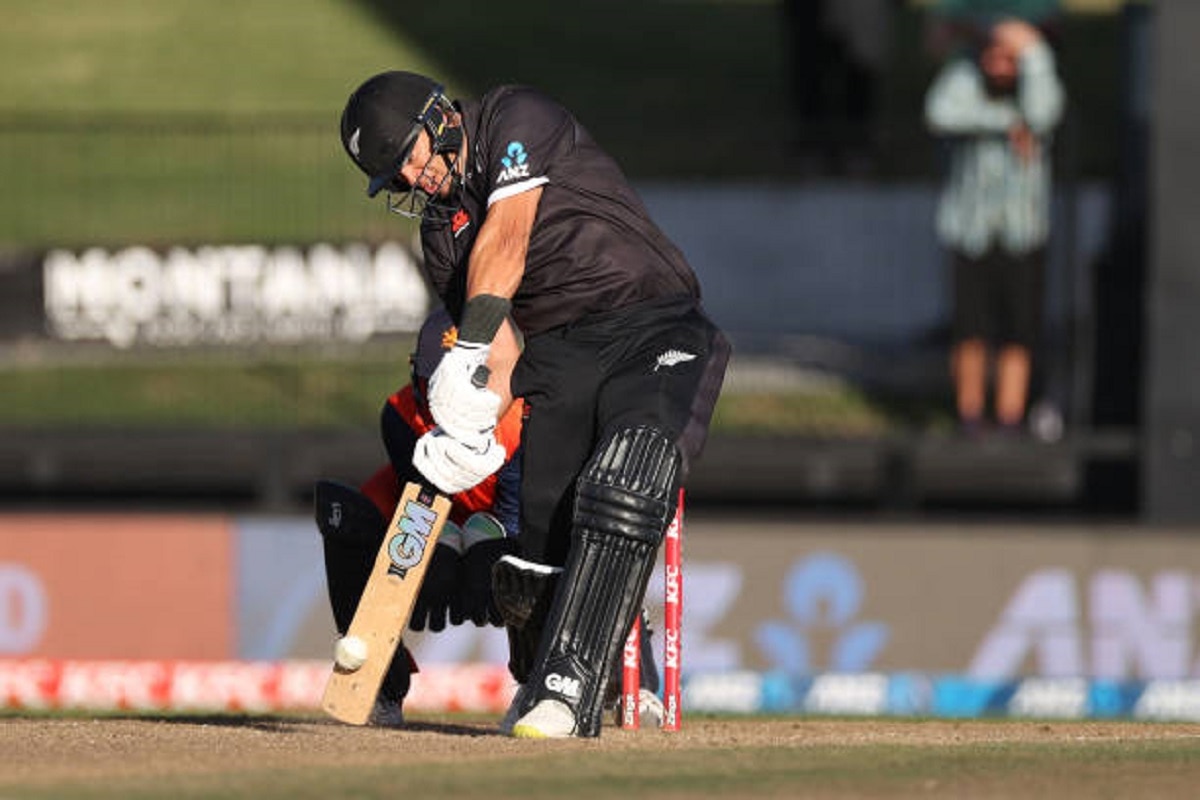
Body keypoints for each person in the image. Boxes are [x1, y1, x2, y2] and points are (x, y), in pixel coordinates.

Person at [339, 71, 729, 738]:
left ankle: (568, 686)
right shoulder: (440, 236)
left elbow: (509, 240)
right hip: (559, 356)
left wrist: (466, 357)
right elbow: (497, 353)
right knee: (534, 555)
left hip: (652, 323)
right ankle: (571, 684)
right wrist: (471, 429)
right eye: (394, 176)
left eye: (410, 154)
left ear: (438, 115)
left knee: (624, 482)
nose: (412, 178)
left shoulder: (516, 117)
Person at [314, 307, 665, 728]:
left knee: (570, 530)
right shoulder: (401, 414)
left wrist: (490, 548)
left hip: (515, 523)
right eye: (434, 381)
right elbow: (422, 497)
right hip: (441, 516)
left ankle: (601, 674)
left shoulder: (527, 416)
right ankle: (379, 684)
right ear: (416, 376)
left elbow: (522, 512)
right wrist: (437, 545)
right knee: (344, 515)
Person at [924, 18, 1064, 437]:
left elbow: (1044, 112)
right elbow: (941, 111)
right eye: (994, 55)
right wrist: (1006, 123)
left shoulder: (1035, 86)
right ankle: (970, 416)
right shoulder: (967, 79)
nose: (1000, 65)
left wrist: (1032, 50)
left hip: (1022, 232)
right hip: (971, 230)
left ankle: (1009, 417)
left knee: (1018, 328)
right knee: (970, 326)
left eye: (1009, 58)